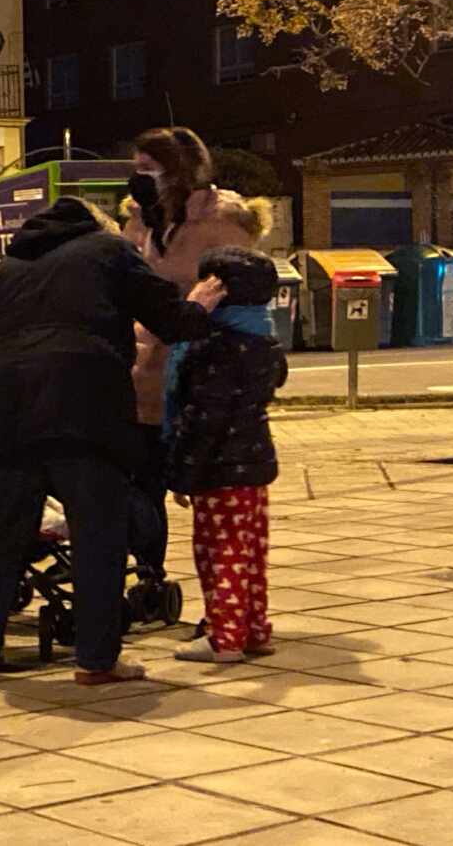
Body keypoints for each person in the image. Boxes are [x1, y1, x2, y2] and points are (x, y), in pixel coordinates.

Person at [0, 197, 226, 685]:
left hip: (3, 405)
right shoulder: (108, 250)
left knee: (3, 533)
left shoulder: (9, 267)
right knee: (98, 532)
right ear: (97, 225)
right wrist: (200, 304)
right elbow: (170, 321)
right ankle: (96, 659)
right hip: (81, 403)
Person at [123, 126, 269, 578]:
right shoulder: (139, 220)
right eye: (137, 168)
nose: (139, 178)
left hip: (199, 380)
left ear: (180, 171)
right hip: (140, 376)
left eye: (149, 169)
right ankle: (150, 579)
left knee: (211, 499)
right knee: (140, 485)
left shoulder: (223, 223)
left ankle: (228, 605)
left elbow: (237, 298)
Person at [166, 246, 286, 663]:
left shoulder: (214, 347)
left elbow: (204, 418)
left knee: (220, 554)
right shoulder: (264, 341)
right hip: (254, 463)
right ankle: (253, 629)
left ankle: (224, 636)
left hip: (219, 467)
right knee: (250, 552)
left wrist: (181, 475)